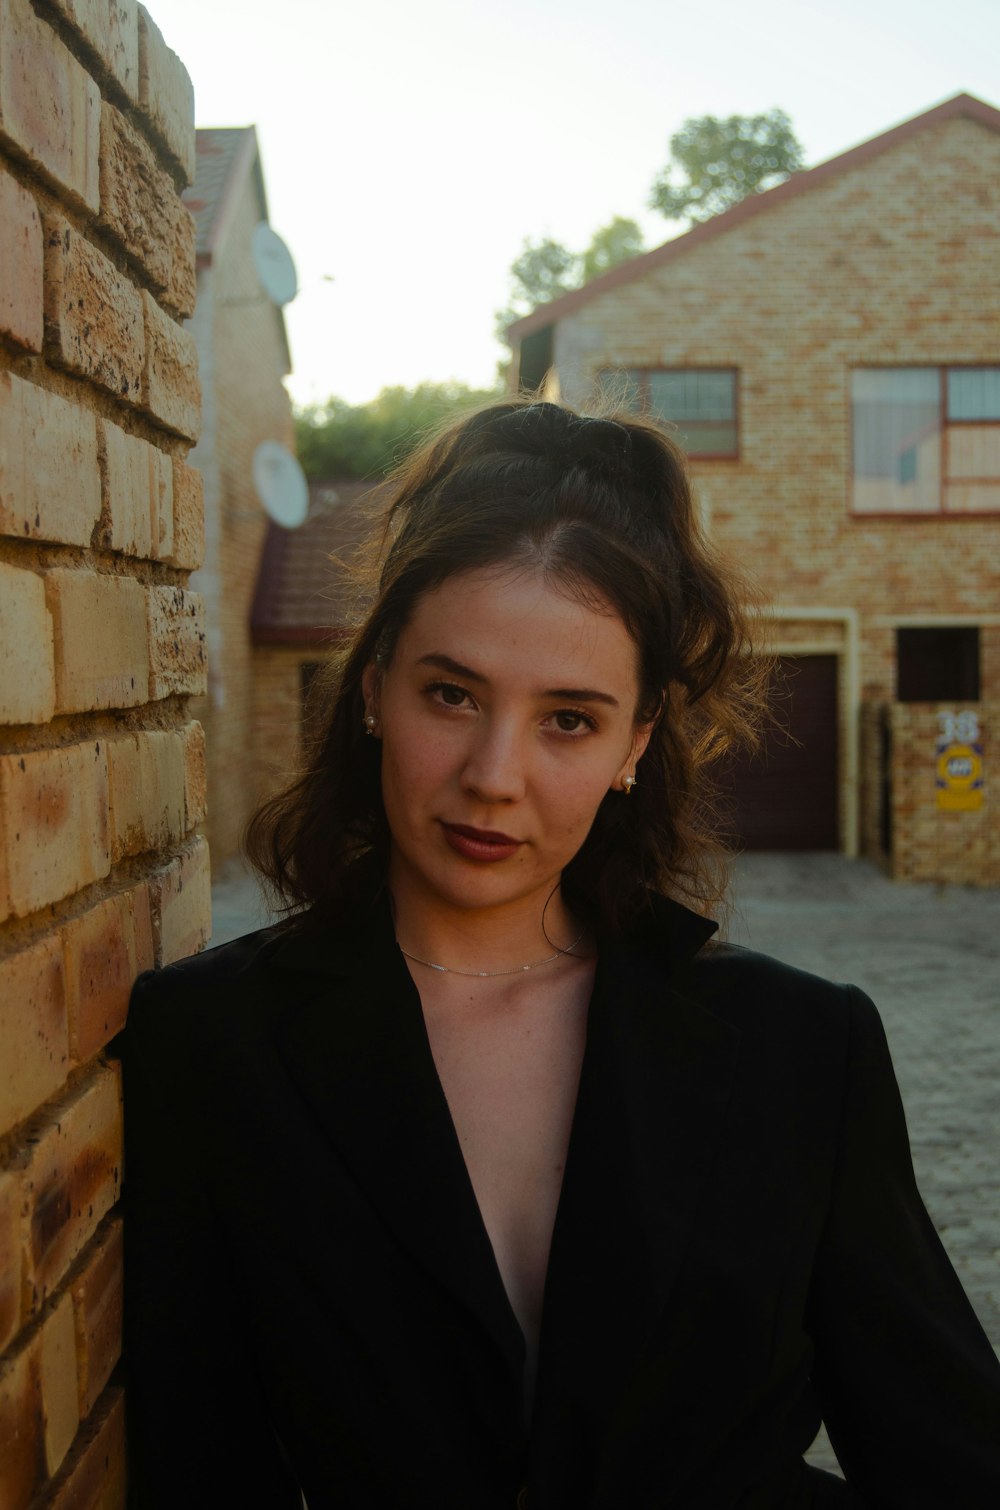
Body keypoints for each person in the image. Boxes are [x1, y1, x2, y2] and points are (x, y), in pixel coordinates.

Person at [120, 399, 1000, 1509]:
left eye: (569, 719)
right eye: (453, 693)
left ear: (635, 744)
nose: (495, 773)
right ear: (377, 687)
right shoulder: (211, 1040)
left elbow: (949, 1457)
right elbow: (199, 1459)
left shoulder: (801, 1049)